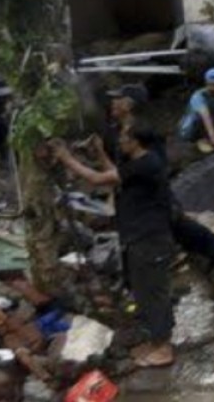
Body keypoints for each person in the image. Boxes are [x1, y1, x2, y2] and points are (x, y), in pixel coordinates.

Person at [50, 126, 177, 368]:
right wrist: (99, 153)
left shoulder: (147, 164)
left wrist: (66, 157)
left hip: (149, 239)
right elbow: (114, 174)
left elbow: (97, 178)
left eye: (124, 138)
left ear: (137, 142)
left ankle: (164, 348)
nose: (120, 142)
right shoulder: (139, 163)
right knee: (144, 291)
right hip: (140, 238)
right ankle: (158, 341)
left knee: (153, 293)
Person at [101, 85, 214, 271]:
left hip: (150, 188)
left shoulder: (144, 132)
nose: (112, 104)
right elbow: (115, 166)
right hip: (130, 190)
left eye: (117, 100)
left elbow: (157, 165)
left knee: (175, 222)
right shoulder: (113, 131)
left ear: (128, 104)